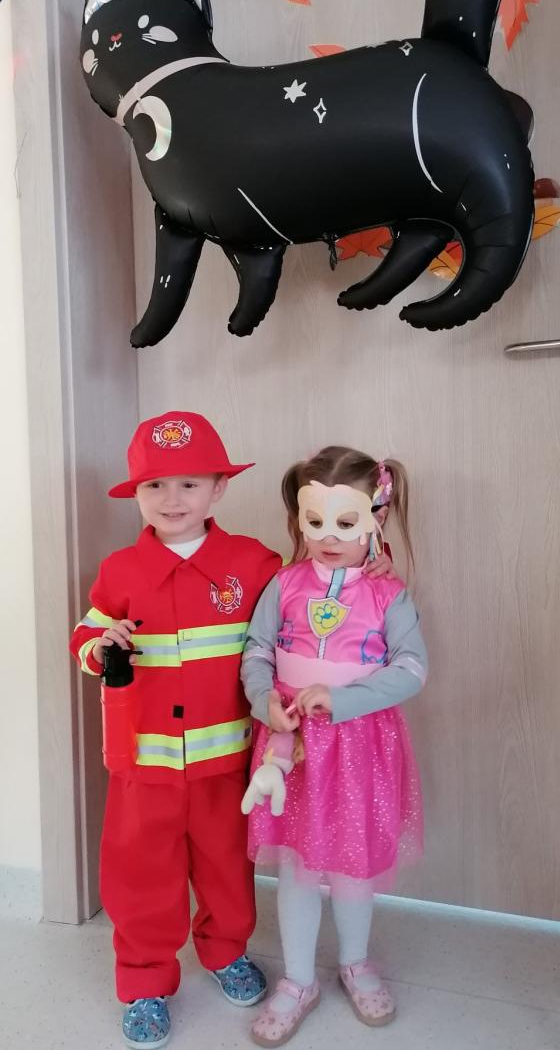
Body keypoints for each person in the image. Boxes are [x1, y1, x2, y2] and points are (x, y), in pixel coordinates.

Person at [70, 415, 397, 1049]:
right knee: (140, 875)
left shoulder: (256, 564)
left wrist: (367, 577)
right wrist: (97, 645)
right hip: (143, 763)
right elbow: (84, 634)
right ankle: (144, 981)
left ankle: (225, 952)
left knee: (226, 868)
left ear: (219, 488)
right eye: (155, 486)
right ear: (136, 494)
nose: (172, 500)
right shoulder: (119, 570)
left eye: (189, 484)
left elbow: (305, 604)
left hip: (228, 762)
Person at [241, 446, 427, 1046]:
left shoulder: (388, 594)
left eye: (345, 522)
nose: (326, 536)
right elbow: (258, 651)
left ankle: (355, 962)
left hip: (358, 749)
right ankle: (298, 979)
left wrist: (343, 700)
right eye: (314, 520)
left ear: (375, 516)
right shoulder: (284, 584)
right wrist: (263, 699)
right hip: (292, 746)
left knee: (352, 866)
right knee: (298, 867)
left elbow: (412, 669)